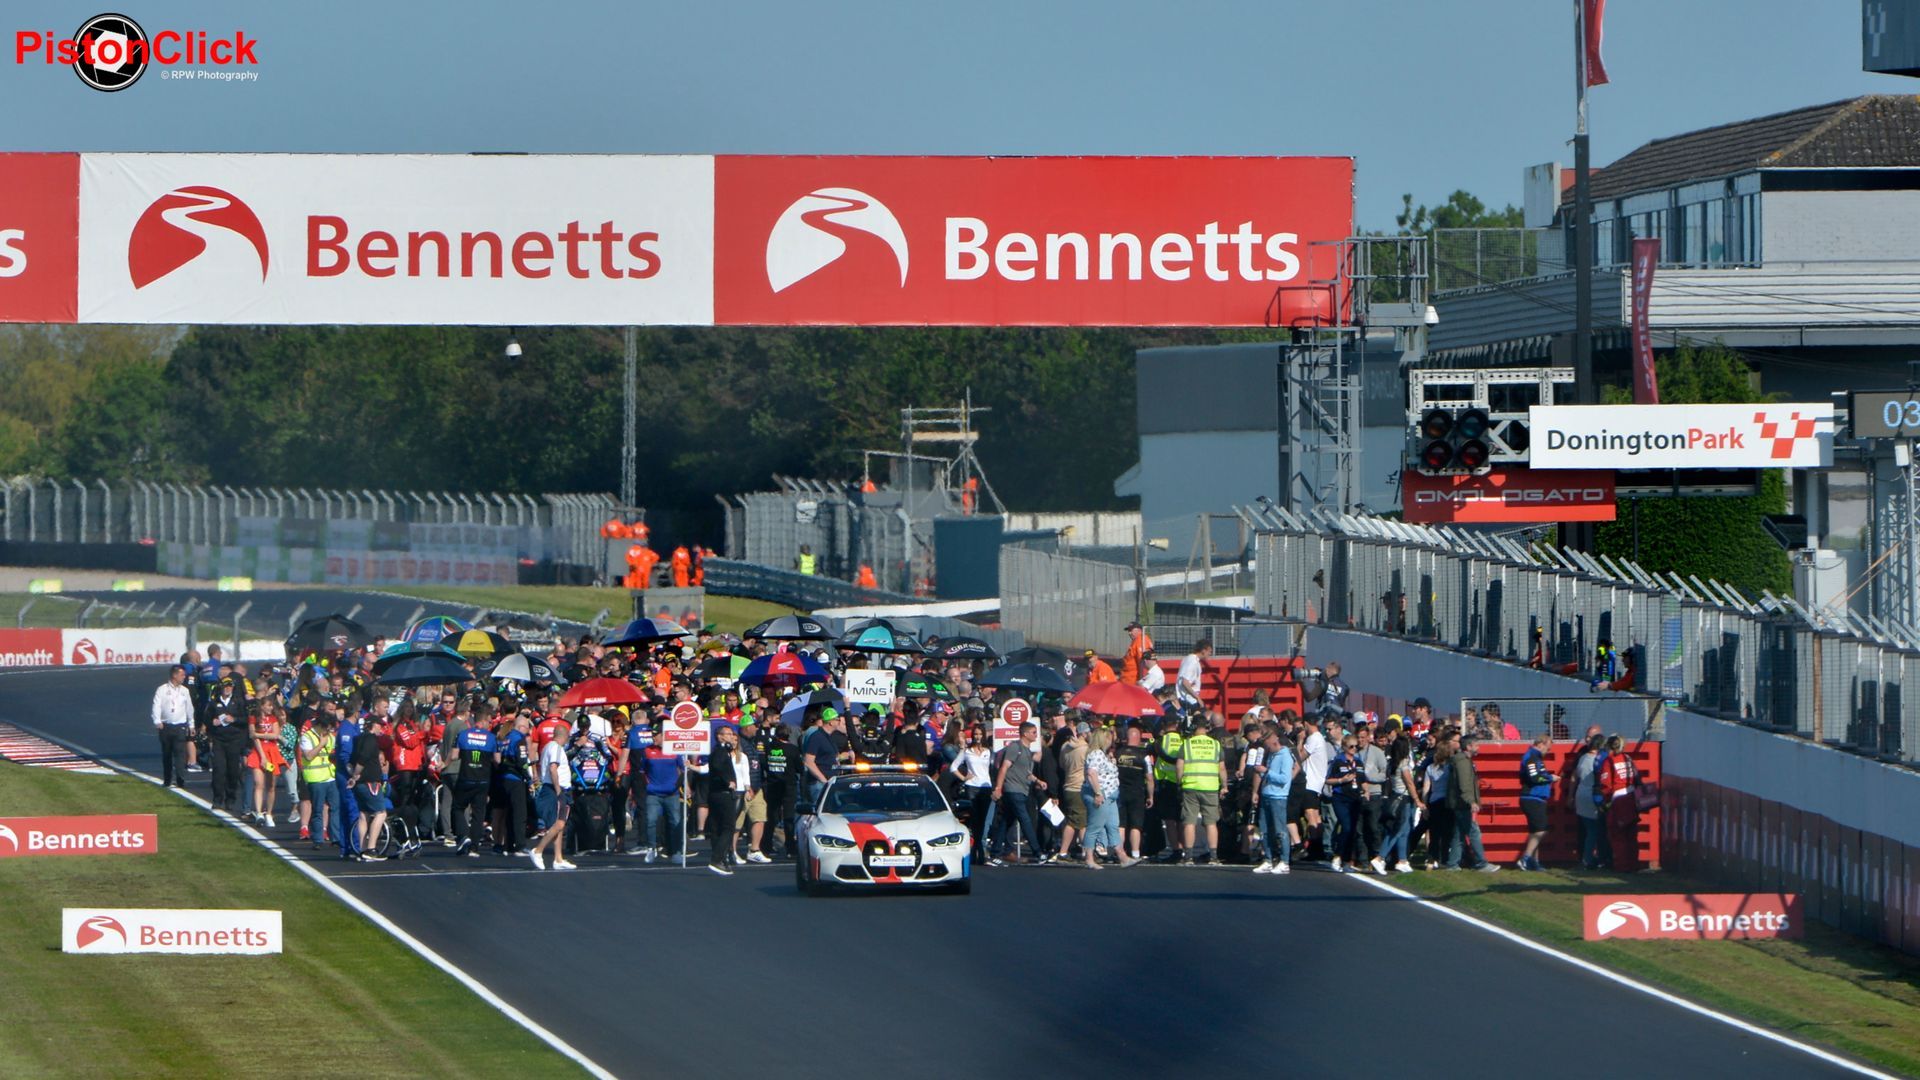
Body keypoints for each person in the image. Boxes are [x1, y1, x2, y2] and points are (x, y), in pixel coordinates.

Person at [990, 721, 1043, 865]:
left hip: (1022, 789)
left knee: (1007, 821)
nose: (1035, 735)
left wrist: (1038, 781)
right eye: (1033, 732)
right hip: (1013, 790)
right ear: (1025, 734)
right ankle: (1038, 852)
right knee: (1025, 819)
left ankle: (995, 851)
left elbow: (1026, 773)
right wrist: (999, 788)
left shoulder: (1027, 751)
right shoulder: (1015, 747)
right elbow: (1004, 768)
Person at [452, 707, 500, 857]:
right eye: (489, 722)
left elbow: (454, 756)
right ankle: (474, 847)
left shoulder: (463, 734)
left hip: (466, 776)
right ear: (484, 721)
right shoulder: (492, 738)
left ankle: (463, 835)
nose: (490, 724)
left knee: (458, 807)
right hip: (483, 779)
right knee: (479, 813)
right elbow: (498, 760)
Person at [1176, 719, 1226, 865]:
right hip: (1210, 787)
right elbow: (1221, 768)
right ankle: (1214, 856)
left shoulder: (1187, 744)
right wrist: (1224, 786)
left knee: (1189, 822)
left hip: (1191, 786)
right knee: (1211, 823)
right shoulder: (1216, 745)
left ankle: (1189, 857)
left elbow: (1179, 766)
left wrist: (1180, 782)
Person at [704, 723, 751, 876]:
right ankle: (717, 858)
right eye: (729, 733)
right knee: (728, 827)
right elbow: (717, 766)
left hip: (718, 793)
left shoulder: (724, 751)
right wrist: (728, 781)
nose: (732, 736)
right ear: (720, 736)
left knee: (718, 827)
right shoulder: (719, 751)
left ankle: (720, 859)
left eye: (732, 734)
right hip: (722, 793)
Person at [1447, 736, 1499, 872]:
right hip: (1462, 803)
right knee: (1473, 832)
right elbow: (1464, 784)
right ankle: (1482, 863)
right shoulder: (1463, 762)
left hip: (1460, 803)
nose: (1478, 748)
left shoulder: (1464, 760)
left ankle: (1452, 864)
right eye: (1476, 745)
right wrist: (1471, 801)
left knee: (1459, 834)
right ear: (1468, 747)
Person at [529, 721, 576, 871]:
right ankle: (538, 850)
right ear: (565, 736)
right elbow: (553, 768)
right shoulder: (555, 748)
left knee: (559, 824)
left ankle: (558, 858)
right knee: (559, 824)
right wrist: (558, 791)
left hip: (556, 788)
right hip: (556, 789)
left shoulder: (549, 747)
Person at [1596, 734, 1642, 872]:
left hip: (1618, 799)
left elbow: (1606, 785)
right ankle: (1633, 864)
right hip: (1631, 797)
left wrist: (1605, 801)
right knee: (1631, 834)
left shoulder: (1609, 761)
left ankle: (1622, 866)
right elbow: (1637, 778)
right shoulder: (1628, 759)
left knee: (1618, 835)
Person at [204, 677, 250, 814]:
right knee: (218, 771)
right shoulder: (214, 703)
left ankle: (230, 799)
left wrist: (234, 719)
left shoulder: (239, 702)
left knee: (233, 771)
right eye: (225, 686)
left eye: (230, 686)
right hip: (219, 740)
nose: (227, 688)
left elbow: (246, 719)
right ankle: (217, 799)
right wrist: (213, 721)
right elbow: (206, 719)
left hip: (234, 740)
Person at [349, 714, 391, 862]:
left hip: (361, 783)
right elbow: (362, 759)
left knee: (363, 814)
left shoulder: (358, 739)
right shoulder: (370, 739)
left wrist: (353, 775)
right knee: (381, 813)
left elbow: (351, 760)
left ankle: (362, 849)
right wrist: (355, 775)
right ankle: (371, 849)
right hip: (370, 782)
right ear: (373, 725)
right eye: (380, 725)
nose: (381, 728)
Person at [1081, 727, 1125, 868]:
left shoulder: (1102, 754)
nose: (1110, 741)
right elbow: (1091, 773)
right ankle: (1089, 858)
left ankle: (1122, 855)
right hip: (1102, 793)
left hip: (1111, 794)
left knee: (1113, 825)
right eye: (1108, 738)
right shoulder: (1096, 754)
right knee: (1095, 826)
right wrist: (1098, 793)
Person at [1379, 727, 1421, 873]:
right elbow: (1409, 783)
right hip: (1403, 798)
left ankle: (1402, 860)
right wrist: (1418, 800)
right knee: (1398, 830)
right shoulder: (1403, 764)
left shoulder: (1392, 764)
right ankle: (1380, 857)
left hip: (1397, 796)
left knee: (1405, 830)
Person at [640, 733, 686, 864]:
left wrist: (678, 786)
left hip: (672, 794)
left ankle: (676, 851)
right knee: (651, 820)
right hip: (653, 794)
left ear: (663, 737)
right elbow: (642, 771)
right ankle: (651, 848)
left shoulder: (675, 751)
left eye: (656, 736)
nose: (653, 738)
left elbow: (683, 769)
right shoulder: (647, 751)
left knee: (675, 822)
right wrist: (648, 786)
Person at [1114, 723, 1155, 862]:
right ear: (1138, 738)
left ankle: (1119, 852)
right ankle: (1136, 853)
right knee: (1136, 825)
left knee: (1121, 824)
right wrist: (1151, 796)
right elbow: (1149, 778)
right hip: (1137, 793)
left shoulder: (1117, 752)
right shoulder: (1144, 756)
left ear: (1126, 738)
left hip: (1119, 792)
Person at [298, 713, 339, 850]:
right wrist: (321, 744)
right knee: (317, 810)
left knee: (334, 808)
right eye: (327, 728)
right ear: (320, 726)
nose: (328, 731)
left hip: (330, 776)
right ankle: (318, 839)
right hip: (315, 778)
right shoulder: (306, 737)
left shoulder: (330, 737)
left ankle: (336, 837)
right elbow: (309, 756)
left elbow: (334, 752)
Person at [1517, 733, 1556, 871]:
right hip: (1532, 798)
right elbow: (1534, 778)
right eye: (1548, 748)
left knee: (1535, 831)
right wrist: (1550, 778)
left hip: (1537, 798)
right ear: (1541, 744)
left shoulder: (1535, 757)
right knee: (1541, 830)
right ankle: (1525, 858)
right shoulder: (1532, 757)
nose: (1548, 751)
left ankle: (1534, 861)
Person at [152, 665, 195, 789]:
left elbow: (189, 708)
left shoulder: (184, 690)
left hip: (180, 726)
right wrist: (157, 721)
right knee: (167, 753)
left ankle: (180, 779)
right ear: (174, 675)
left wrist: (191, 724)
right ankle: (167, 779)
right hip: (165, 726)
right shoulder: (162, 689)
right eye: (182, 675)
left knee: (180, 753)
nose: (184, 677)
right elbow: (156, 706)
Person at [953, 729, 995, 854]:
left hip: (986, 786)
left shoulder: (988, 752)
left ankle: (978, 847)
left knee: (983, 819)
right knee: (975, 818)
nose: (978, 736)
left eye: (980, 734)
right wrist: (964, 778)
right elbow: (953, 767)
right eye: (976, 734)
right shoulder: (967, 751)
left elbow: (992, 768)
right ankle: (978, 849)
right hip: (972, 786)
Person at [1569, 732, 1607, 869]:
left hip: (1581, 793)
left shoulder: (1583, 757)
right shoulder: (1598, 760)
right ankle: (1588, 859)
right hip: (1592, 795)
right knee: (1594, 830)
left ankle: (1588, 857)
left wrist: (1570, 796)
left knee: (1588, 828)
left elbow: (1576, 776)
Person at [246, 701, 286, 827]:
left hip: (272, 752)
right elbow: (253, 737)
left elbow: (275, 735)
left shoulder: (273, 718)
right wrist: (262, 756)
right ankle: (258, 813)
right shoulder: (253, 718)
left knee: (271, 786)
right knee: (259, 784)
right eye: (268, 705)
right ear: (262, 706)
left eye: (271, 706)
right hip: (259, 752)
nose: (271, 708)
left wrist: (259, 734)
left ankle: (269, 813)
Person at [1176, 639, 1211, 712]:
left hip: (1186, 698)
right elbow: (1185, 682)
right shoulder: (1193, 662)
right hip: (1189, 700)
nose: (1210, 654)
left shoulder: (1188, 658)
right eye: (1209, 651)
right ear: (1203, 650)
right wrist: (1197, 698)